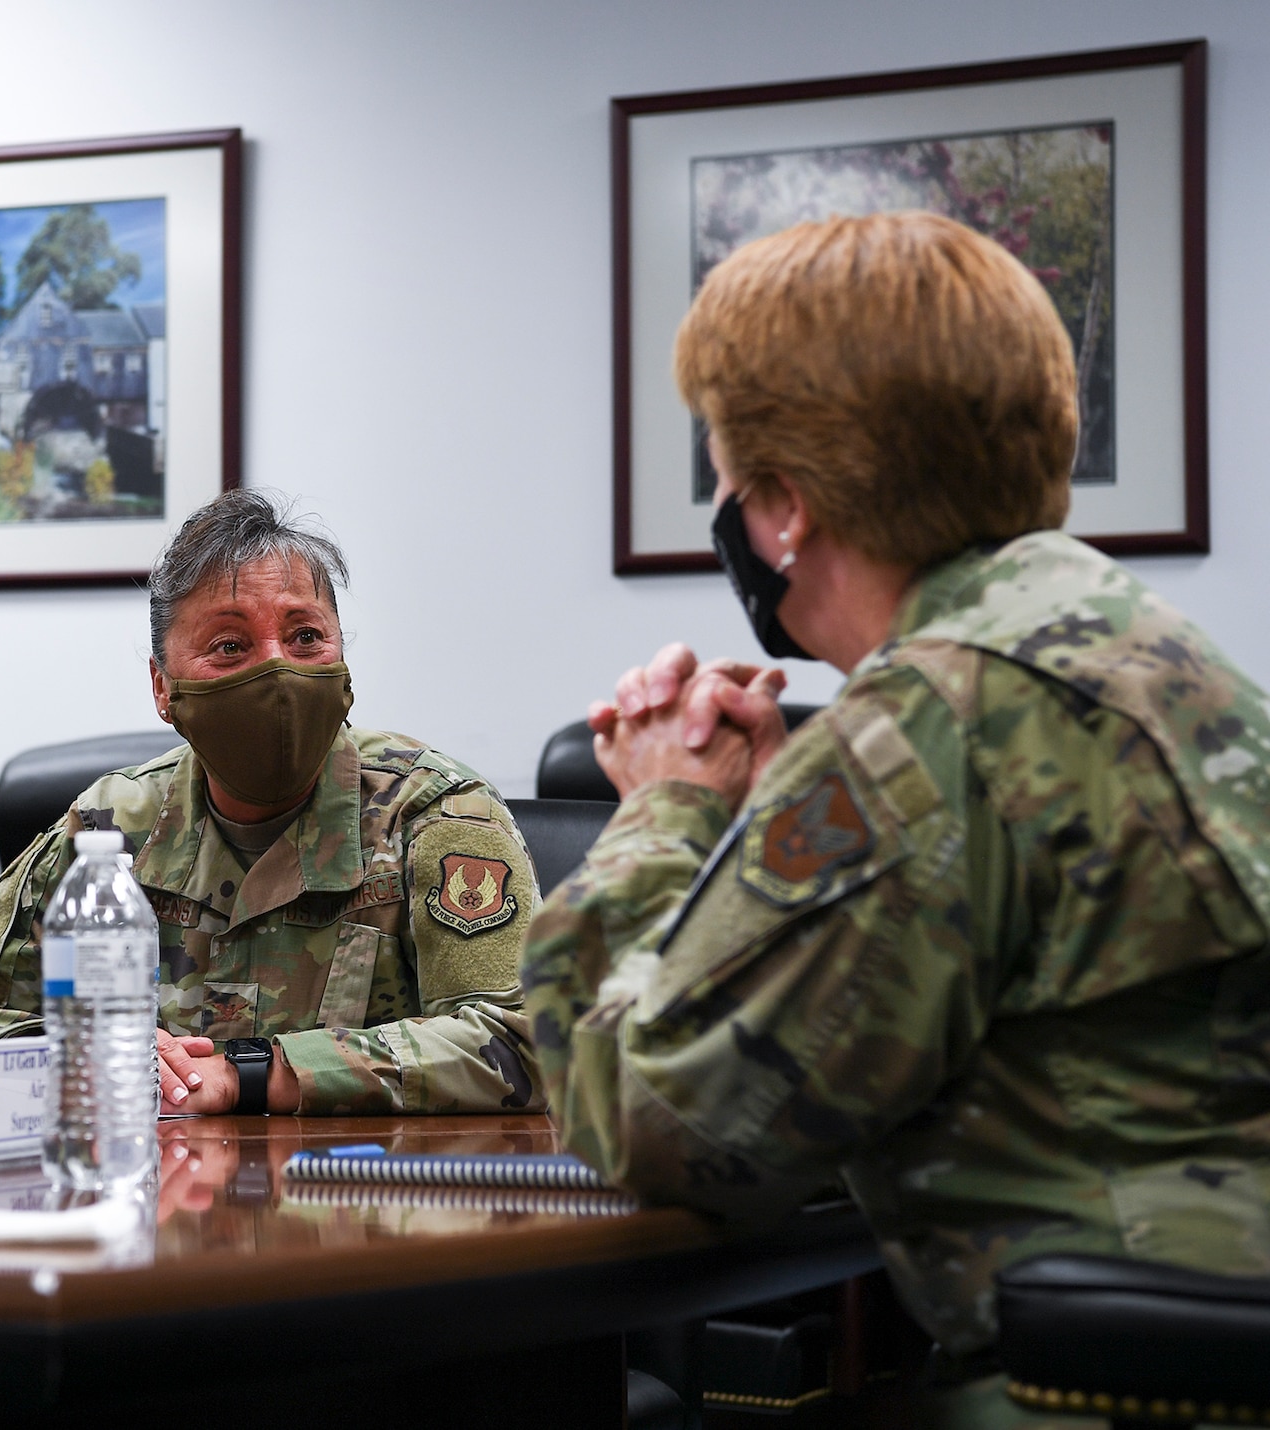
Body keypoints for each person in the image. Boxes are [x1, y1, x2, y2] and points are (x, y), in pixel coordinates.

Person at [523, 213, 1270, 1373]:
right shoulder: (1136, 647)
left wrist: (661, 806)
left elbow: (657, 1123)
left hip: (1104, 1386)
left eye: (723, 475)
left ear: (782, 507)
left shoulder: (931, 721)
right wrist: (782, 810)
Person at [0, 490, 543, 1116]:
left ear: (344, 664)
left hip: (358, 1197)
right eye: (229, 646)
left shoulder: (434, 814)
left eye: (306, 636)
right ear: (162, 687)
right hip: (157, 1193)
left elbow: (525, 1043)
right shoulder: (108, 828)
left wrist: (255, 1073)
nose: (277, 672)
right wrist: (88, 1049)